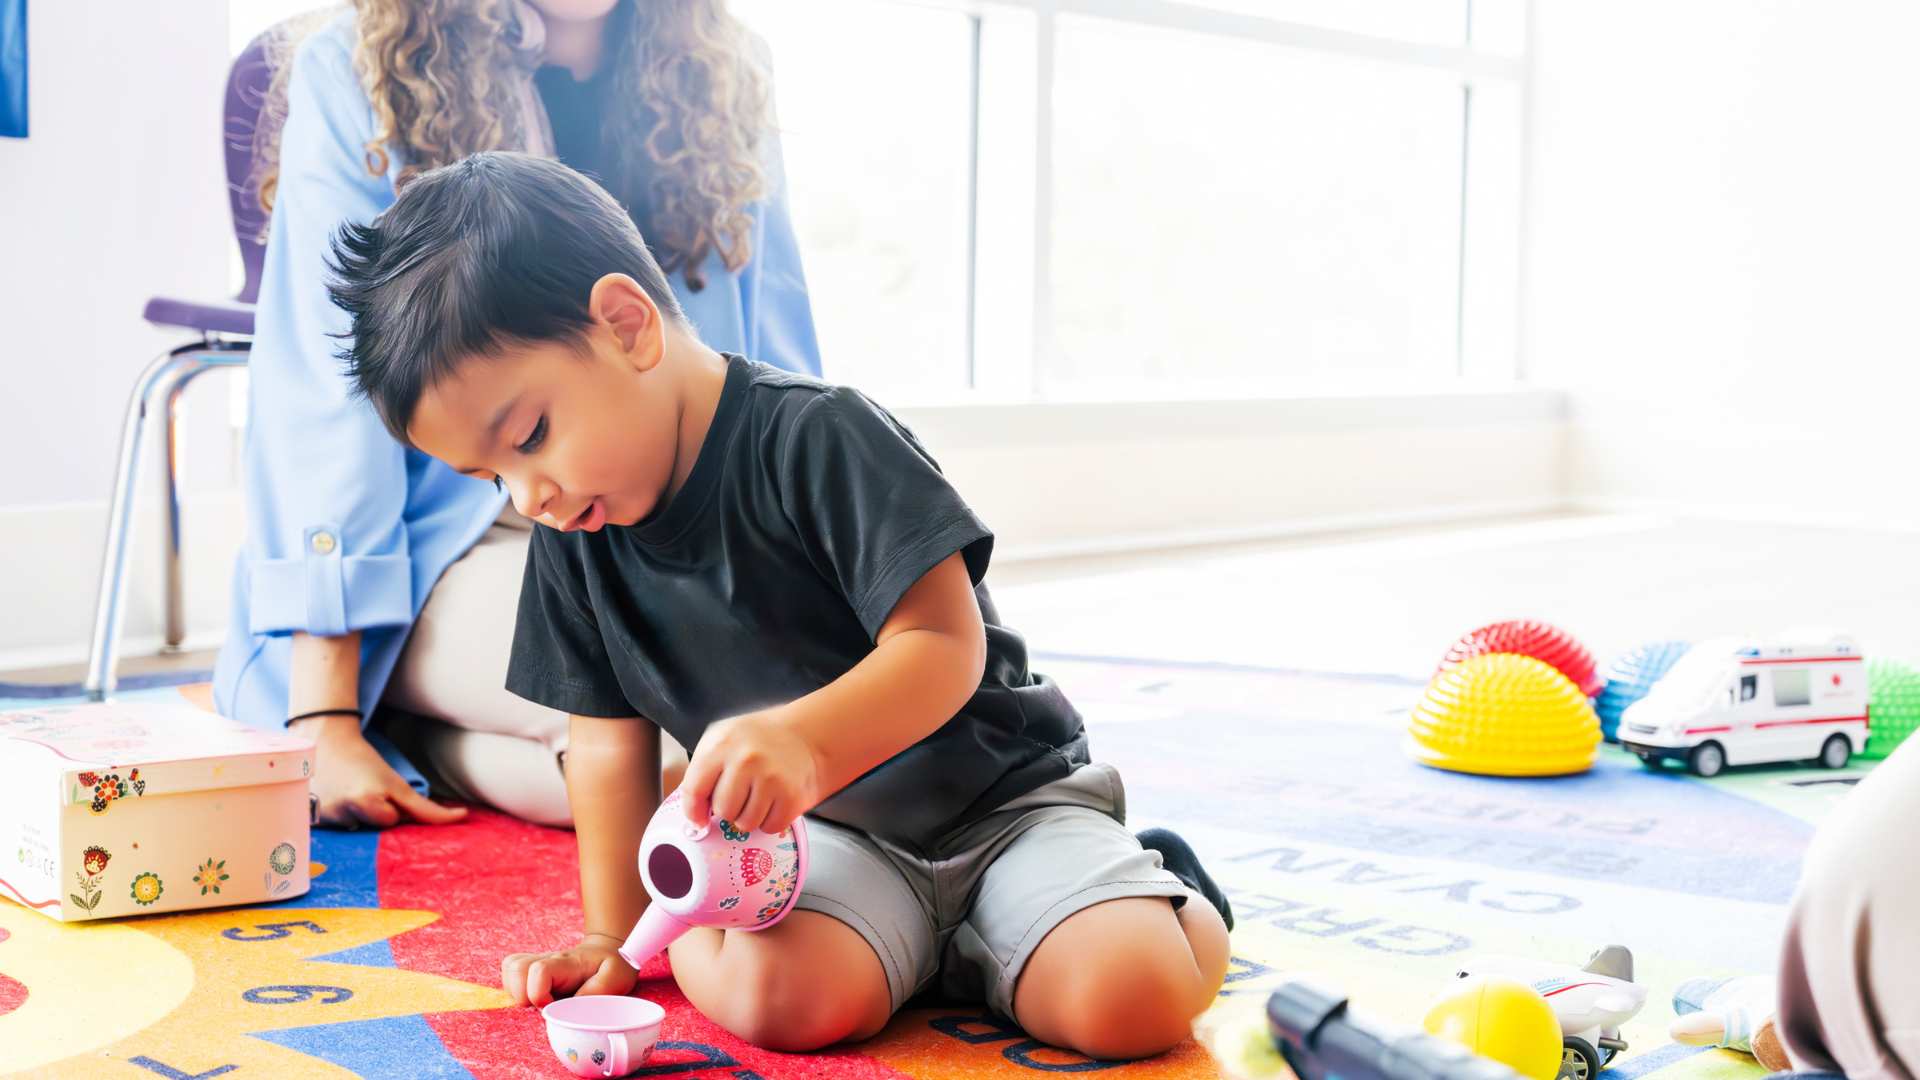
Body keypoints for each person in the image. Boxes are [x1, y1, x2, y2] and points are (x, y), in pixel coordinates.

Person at [326, 150, 1235, 1058]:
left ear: (625, 325)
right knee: (774, 999)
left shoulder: (819, 434)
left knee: (1129, 1000)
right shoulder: (574, 536)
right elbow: (603, 742)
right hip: (822, 842)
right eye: (492, 476)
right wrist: (615, 937)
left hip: (1003, 803)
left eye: (529, 437)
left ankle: (1149, 889)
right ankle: (945, 950)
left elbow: (943, 644)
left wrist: (806, 743)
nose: (528, 497)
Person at [213, 0, 820, 829]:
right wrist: (325, 713)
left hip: (654, 529)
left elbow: (779, 351)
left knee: (801, 710)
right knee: (692, 763)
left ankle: (428, 741)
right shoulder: (359, 67)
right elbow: (325, 397)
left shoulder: (724, 68)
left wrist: (811, 553)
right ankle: (391, 710)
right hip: (451, 544)